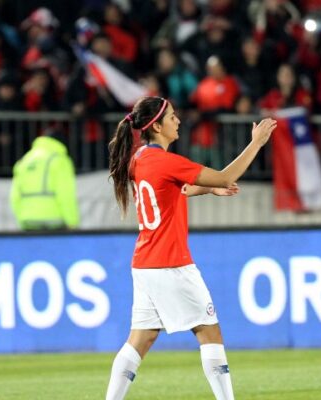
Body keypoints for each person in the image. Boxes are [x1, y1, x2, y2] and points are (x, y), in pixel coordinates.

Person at [105, 96, 276, 400]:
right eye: (171, 116)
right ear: (156, 125)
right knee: (209, 331)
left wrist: (208, 189)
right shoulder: (166, 161)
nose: (178, 120)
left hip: (144, 264)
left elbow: (172, 191)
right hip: (171, 263)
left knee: (140, 340)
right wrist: (257, 143)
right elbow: (226, 175)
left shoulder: (139, 159)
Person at [9, 130, 78, 231]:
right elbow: (65, 194)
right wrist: (72, 222)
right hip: (54, 220)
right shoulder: (60, 160)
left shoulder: (24, 160)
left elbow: (14, 196)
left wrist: (21, 219)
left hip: (27, 220)